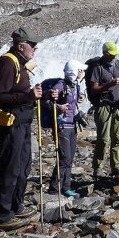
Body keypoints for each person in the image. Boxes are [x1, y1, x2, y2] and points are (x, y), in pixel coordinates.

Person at [0, 27, 43, 230]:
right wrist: (28, 97)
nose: (35, 49)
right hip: (10, 125)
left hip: (22, 123)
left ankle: (15, 205)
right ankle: (3, 215)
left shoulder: (20, 64)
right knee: (9, 169)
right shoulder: (7, 63)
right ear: (21, 46)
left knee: (22, 167)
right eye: (32, 45)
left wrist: (39, 96)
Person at [88, 43, 119, 179]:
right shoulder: (97, 67)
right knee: (104, 138)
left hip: (116, 105)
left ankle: (116, 166)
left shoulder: (117, 64)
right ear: (105, 53)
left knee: (117, 136)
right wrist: (109, 84)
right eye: (111, 54)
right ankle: (98, 168)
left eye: (114, 54)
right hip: (102, 106)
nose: (114, 56)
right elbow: (94, 88)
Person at [42, 61, 83, 197]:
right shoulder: (60, 85)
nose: (81, 73)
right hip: (62, 125)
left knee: (69, 158)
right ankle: (54, 189)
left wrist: (80, 97)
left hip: (72, 125)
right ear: (73, 72)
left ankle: (66, 187)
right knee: (64, 158)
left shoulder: (74, 86)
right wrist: (59, 108)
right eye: (79, 70)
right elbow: (47, 101)